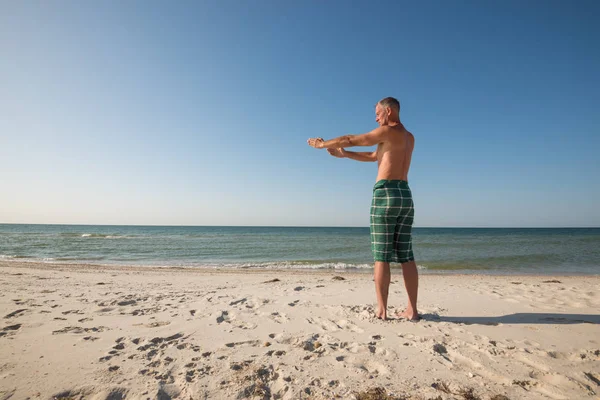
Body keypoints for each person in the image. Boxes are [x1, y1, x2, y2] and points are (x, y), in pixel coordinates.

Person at [307, 97, 419, 321]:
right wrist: (344, 154)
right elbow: (374, 156)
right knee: (406, 255)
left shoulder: (386, 131)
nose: (376, 117)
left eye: (378, 113)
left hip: (385, 193)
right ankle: (412, 311)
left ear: (388, 111)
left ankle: (382, 310)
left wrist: (322, 144)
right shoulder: (409, 137)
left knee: (381, 255)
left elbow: (350, 139)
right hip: (405, 195)